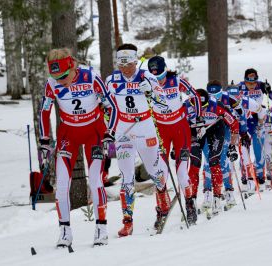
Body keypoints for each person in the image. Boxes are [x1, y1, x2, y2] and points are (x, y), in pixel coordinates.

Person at [39, 48, 115, 247]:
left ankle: (101, 229)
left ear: (72, 67)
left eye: (64, 76)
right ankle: (65, 232)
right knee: (62, 184)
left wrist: (110, 132)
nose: (60, 80)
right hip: (68, 134)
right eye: (55, 76)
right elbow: (44, 112)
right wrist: (45, 141)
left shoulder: (91, 77)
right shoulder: (51, 84)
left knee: (96, 181)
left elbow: (110, 106)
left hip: (94, 132)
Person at [104, 44, 170, 236]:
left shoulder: (147, 76)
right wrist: (110, 127)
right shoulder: (112, 80)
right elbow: (107, 106)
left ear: (136, 61)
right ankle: (127, 221)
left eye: (129, 64)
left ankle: (162, 196)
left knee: (153, 170)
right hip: (124, 129)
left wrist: (150, 91)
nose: (125, 69)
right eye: (121, 65)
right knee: (126, 176)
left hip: (145, 126)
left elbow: (163, 103)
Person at [147, 56, 201, 228]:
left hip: (180, 129)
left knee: (182, 173)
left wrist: (198, 116)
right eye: (156, 77)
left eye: (162, 75)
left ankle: (190, 204)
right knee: (160, 174)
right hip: (161, 130)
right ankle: (162, 207)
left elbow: (195, 95)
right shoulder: (147, 83)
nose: (159, 80)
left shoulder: (177, 81)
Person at [188, 89, 239, 220]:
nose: (202, 111)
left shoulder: (216, 105)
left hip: (215, 129)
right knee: (195, 162)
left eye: (205, 108)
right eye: (199, 108)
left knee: (214, 160)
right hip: (196, 131)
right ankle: (191, 202)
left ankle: (217, 198)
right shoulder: (187, 105)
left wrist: (233, 142)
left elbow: (233, 123)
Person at [238, 68, 272, 186]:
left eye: (254, 82)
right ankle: (245, 173)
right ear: (244, 80)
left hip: (258, 118)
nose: (252, 85)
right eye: (249, 83)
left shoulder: (261, 85)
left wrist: (269, 91)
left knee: (258, 146)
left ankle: (260, 173)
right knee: (244, 147)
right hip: (244, 119)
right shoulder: (239, 87)